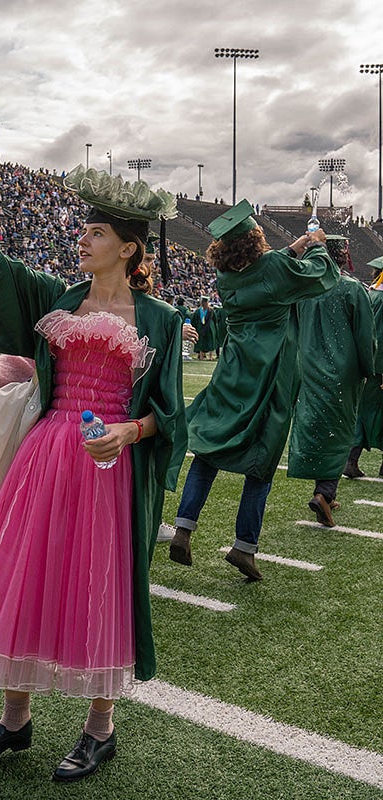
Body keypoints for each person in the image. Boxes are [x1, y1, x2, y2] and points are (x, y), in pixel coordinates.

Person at [0, 153, 187, 782]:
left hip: (109, 465)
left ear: (128, 249)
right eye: (84, 231)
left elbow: (173, 415)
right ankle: (15, 722)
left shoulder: (161, 321)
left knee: (102, 583)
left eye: (95, 234)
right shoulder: (58, 298)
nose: (81, 239)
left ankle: (100, 731)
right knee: (25, 571)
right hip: (45, 455)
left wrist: (131, 429)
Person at [169, 199, 339, 580]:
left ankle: (184, 528)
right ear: (255, 240)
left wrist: (293, 247)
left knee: (209, 451)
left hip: (232, 372)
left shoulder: (227, 278)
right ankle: (244, 548)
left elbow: (267, 270)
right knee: (261, 461)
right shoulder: (275, 269)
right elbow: (317, 277)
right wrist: (317, 245)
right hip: (271, 375)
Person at [287, 255, 376, 526]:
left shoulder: (303, 289)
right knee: (339, 431)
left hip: (308, 368)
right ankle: (324, 493)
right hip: (342, 371)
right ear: (343, 256)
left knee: (318, 429)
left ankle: (326, 491)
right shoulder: (351, 288)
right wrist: (368, 368)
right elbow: (364, 334)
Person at [344, 256, 383, 478]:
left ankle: (351, 459)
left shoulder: (370, 294)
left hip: (365, 363)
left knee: (361, 412)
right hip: (380, 366)